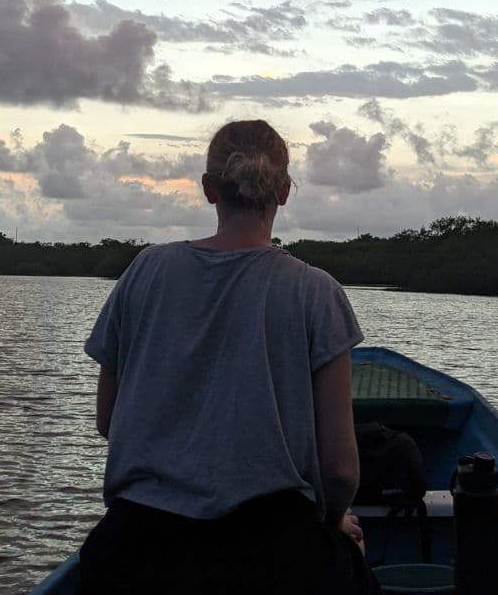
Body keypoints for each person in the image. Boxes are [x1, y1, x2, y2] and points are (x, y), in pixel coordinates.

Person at [80, 119, 378, 595]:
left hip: (135, 549)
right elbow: (340, 471)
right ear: (284, 191)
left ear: (208, 189)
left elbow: (108, 421)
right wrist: (333, 523)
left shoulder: (144, 270)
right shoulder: (316, 292)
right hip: (270, 553)